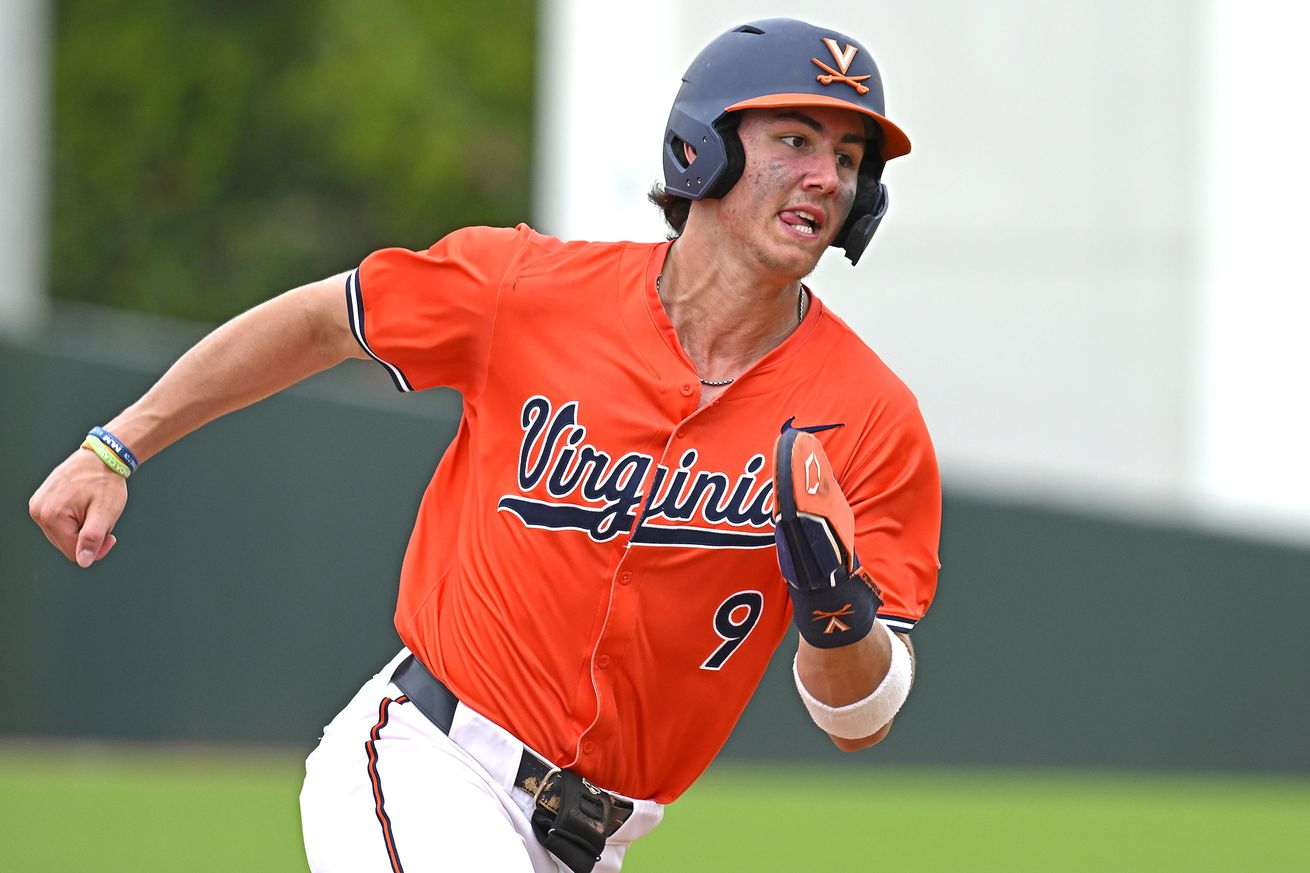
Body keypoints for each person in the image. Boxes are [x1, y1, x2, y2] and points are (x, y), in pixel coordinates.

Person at [28, 17, 940, 873]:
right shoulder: (527, 290)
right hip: (431, 763)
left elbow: (859, 715)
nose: (828, 175)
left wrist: (834, 608)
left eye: (850, 158)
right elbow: (318, 324)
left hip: (593, 840)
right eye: (796, 140)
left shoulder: (869, 417)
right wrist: (116, 447)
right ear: (706, 144)